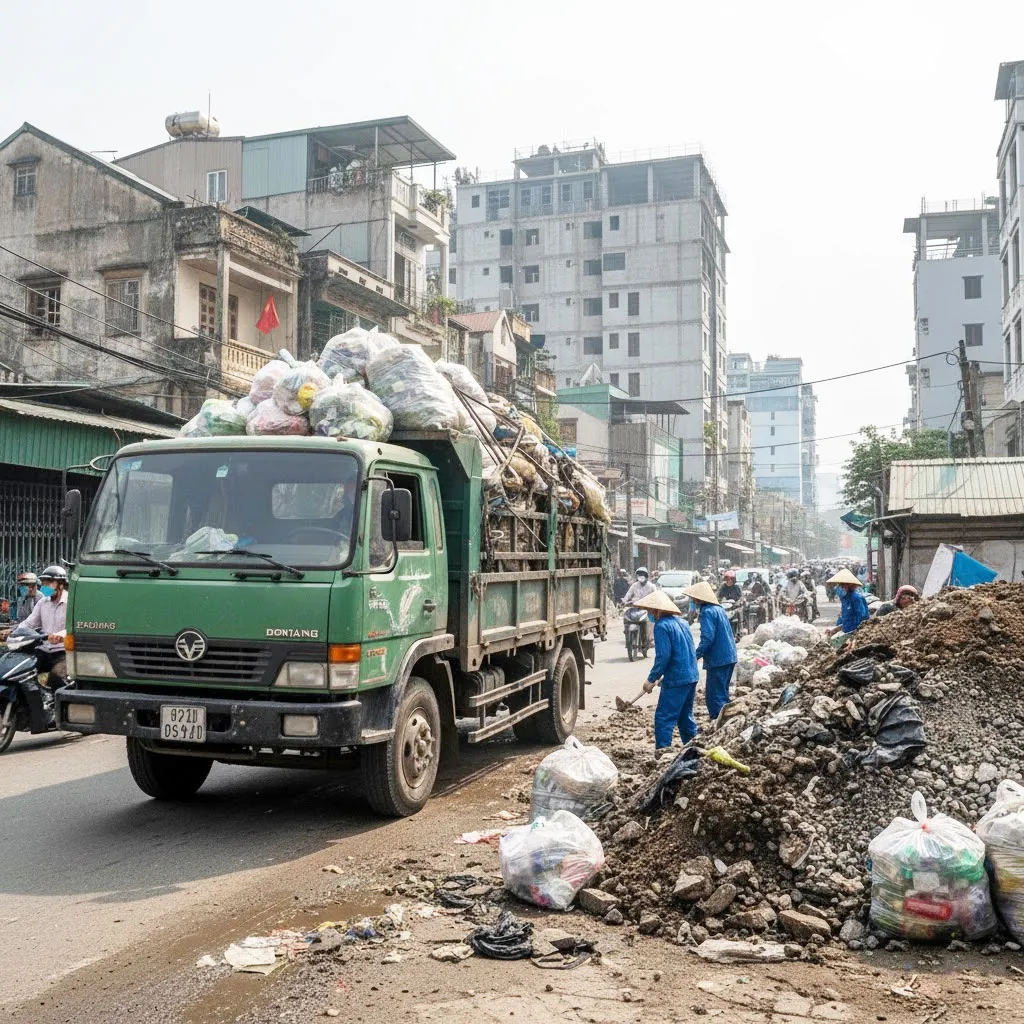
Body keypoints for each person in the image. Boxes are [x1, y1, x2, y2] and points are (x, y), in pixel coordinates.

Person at [637, 590, 699, 755]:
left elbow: (663, 657)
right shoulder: (683, 623)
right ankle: (695, 752)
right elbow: (685, 651)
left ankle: (662, 756)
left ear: (658, 610)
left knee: (664, 719)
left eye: (651, 610)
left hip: (677, 679)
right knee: (685, 718)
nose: (649, 613)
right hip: (691, 676)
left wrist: (651, 679)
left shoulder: (662, 626)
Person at [684, 580, 737, 724]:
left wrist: (695, 655)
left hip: (718, 659)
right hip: (729, 656)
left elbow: (707, 638)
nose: (692, 601)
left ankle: (719, 725)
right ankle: (727, 722)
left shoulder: (707, 612)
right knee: (723, 694)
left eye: (694, 598)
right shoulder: (719, 609)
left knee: (714, 697)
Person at [20, 565, 69, 688]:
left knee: (56, 676)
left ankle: (57, 705)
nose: (45, 587)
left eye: (49, 583)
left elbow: (75, 627)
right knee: (20, 672)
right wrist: (15, 633)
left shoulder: (71, 602)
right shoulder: (43, 602)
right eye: (44, 583)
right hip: (43, 650)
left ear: (61, 585)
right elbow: (29, 623)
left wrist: (61, 635)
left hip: (63, 652)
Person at [827, 568, 871, 642]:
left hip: (856, 633)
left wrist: (856, 632)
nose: (842, 587)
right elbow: (843, 617)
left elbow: (862, 616)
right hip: (846, 631)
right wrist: (836, 629)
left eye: (843, 585)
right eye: (841, 585)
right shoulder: (844, 598)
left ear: (850, 585)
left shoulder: (857, 598)